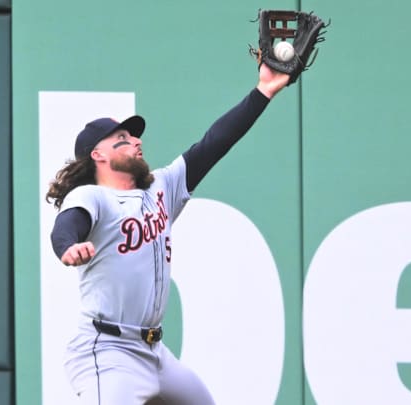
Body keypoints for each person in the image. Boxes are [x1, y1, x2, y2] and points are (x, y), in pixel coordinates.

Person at [46, 63, 290, 405]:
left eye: (133, 136)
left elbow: (214, 143)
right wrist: (68, 247)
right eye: (123, 139)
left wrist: (263, 91)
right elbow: (68, 224)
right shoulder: (91, 196)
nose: (135, 141)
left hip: (154, 351)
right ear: (98, 155)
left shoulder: (162, 187)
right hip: (108, 352)